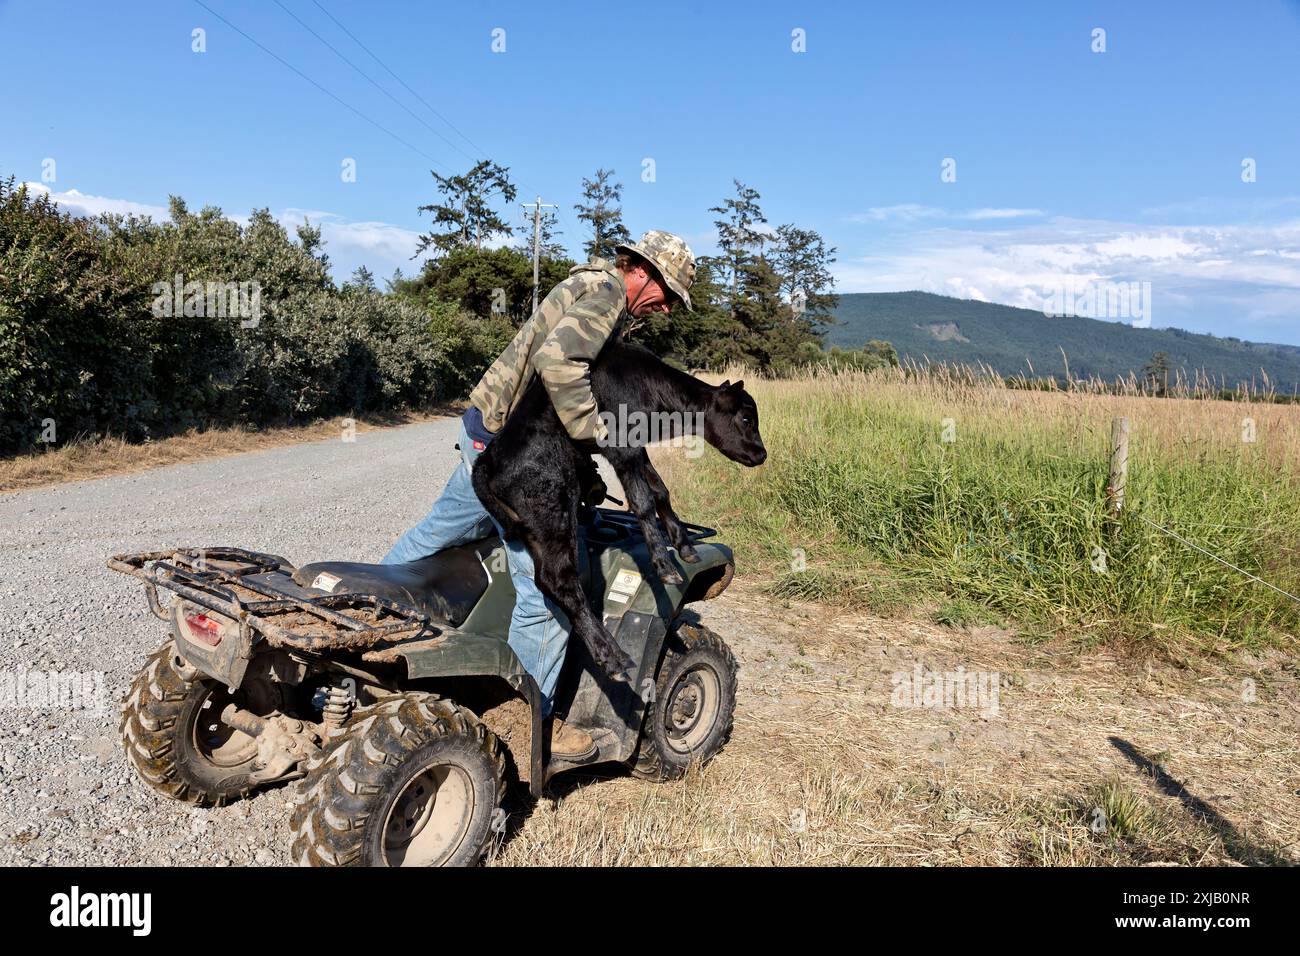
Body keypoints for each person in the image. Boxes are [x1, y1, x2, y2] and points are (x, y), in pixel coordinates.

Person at [383, 231, 696, 759]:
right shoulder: (608, 295)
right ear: (643, 271)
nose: (665, 308)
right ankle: (532, 725)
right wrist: (594, 433)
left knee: (435, 537)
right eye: (667, 293)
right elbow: (558, 362)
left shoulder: (590, 285)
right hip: (510, 448)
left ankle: (369, 628)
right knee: (549, 590)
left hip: (485, 432)